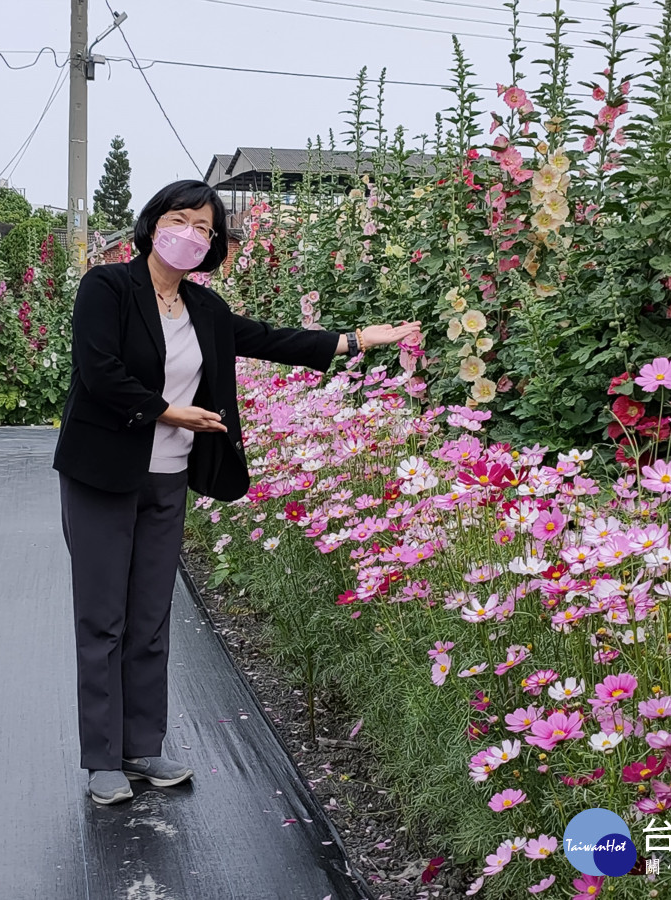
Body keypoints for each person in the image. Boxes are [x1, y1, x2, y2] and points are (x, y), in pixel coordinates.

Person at [52, 179, 421, 805]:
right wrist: (171, 412)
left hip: (168, 479)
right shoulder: (108, 287)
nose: (191, 234)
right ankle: (101, 759)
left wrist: (360, 340)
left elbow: (275, 340)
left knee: (149, 619)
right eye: (181, 219)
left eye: (205, 227)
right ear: (152, 223)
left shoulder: (206, 310)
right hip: (103, 476)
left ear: (215, 243)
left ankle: (142, 746)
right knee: (103, 620)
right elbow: (99, 372)